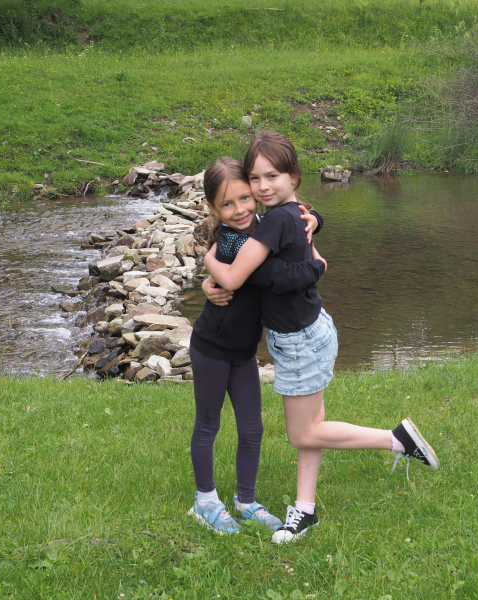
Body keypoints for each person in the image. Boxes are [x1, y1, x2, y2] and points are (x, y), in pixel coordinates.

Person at [204, 131, 441, 544]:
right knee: (311, 426)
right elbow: (301, 246)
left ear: (293, 176)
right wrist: (315, 229)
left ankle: (396, 440)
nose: (261, 187)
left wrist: (208, 260)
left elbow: (237, 276)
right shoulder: (290, 213)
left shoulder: (275, 221)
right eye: (255, 178)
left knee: (302, 433)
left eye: (271, 176)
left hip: (300, 340)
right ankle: (305, 510)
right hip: (310, 330)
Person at [188, 157, 327, 535]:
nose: (240, 210)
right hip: (212, 347)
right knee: (208, 424)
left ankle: (245, 502)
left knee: (252, 428)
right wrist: (317, 267)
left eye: (245, 198)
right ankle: (205, 501)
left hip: (244, 351)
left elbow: (296, 218)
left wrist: (315, 220)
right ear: (213, 208)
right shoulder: (235, 241)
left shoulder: (265, 226)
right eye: (227, 204)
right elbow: (278, 275)